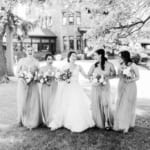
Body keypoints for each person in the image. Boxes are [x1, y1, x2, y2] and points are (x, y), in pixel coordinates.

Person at [49, 51, 95, 132]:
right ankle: (63, 121)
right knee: (65, 104)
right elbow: (60, 77)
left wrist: (93, 76)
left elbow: (85, 75)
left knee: (76, 104)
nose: (74, 57)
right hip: (67, 88)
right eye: (73, 56)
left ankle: (76, 122)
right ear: (69, 57)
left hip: (76, 88)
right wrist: (63, 78)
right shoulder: (64, 66)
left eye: (75, 56)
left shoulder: (79, 66)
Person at [88, 49, 116, 129]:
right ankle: (97, 121)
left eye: (95, 55)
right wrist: (94, 79)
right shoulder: (94, 65)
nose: (94, 56)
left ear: (100, 55)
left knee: (105, 104)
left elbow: (114, 75)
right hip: (96, 87)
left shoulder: (110, 64)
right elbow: (89, 75)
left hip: (105, 86)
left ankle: (107, 121)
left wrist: (105, 78)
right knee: (97, 103)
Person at [16, 45, 42, 129]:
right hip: (23, 84)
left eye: (31, 50)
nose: (30, 52)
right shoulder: (21, 61)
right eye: (28, 50)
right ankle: (22, 120)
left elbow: (39, 73)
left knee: (33, 102)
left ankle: (33, 121)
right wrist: (23, 76)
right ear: (26, 51)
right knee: (24, 101)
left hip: (33, 84)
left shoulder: (36, 61)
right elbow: (17, 72)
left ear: (33, 51)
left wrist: (36, 77)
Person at [113, 50, 139, 133]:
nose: (118, 58)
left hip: (130, 86)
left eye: (120, 56)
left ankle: (126, 126)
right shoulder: (120, 65)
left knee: (127, 105)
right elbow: (119, 76)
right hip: (121, 85)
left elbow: (138, 77)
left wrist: (130, 79)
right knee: (120, 104)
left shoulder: (133, 65)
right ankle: (119, 124)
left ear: (125, 57)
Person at [39, 54, 57, 126]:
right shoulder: (42, 68)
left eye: (51, 59)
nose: (50, 60)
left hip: (53, 86)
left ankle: (53, 119)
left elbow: (57, 78)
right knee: (46, 102)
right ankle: (47, 119)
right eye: (48, 59)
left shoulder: (55, 68)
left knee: (53, 102)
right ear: (46, 60)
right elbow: (39, 78)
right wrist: (44, 79)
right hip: (45, 87)